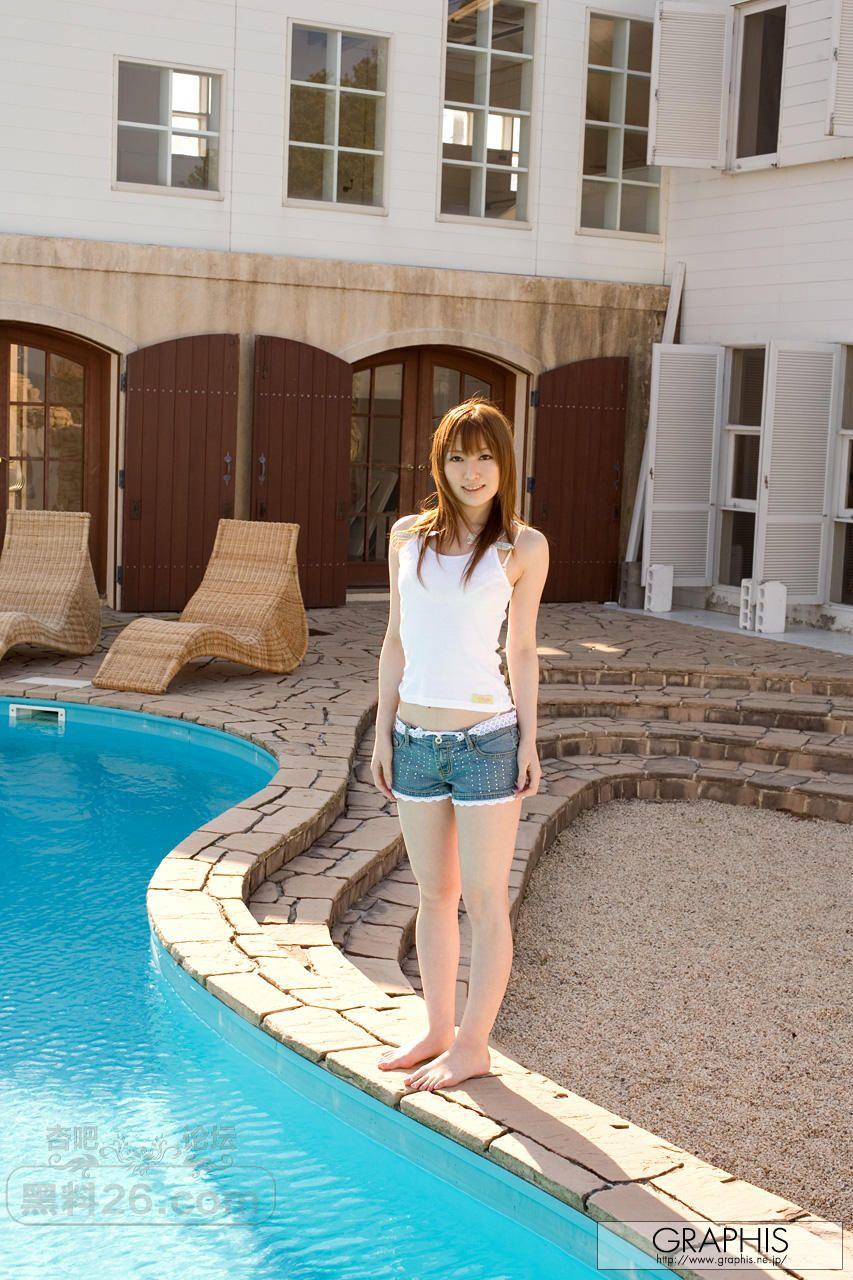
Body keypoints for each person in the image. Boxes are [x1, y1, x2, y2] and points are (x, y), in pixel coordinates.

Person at [370, 396, 549, 1092]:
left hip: (486, 742)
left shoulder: (522, 548)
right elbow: (394, 640)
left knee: (483, 898)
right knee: (433, 893)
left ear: (504, 463)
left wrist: (529, 740)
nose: (472, 472)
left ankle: (473, 1046)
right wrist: (382, 734)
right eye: (456, 457)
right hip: (413, 740)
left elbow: (523, 649)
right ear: (438, 465)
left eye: (484, 457)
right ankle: (436, 1030)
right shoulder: (406, 538)